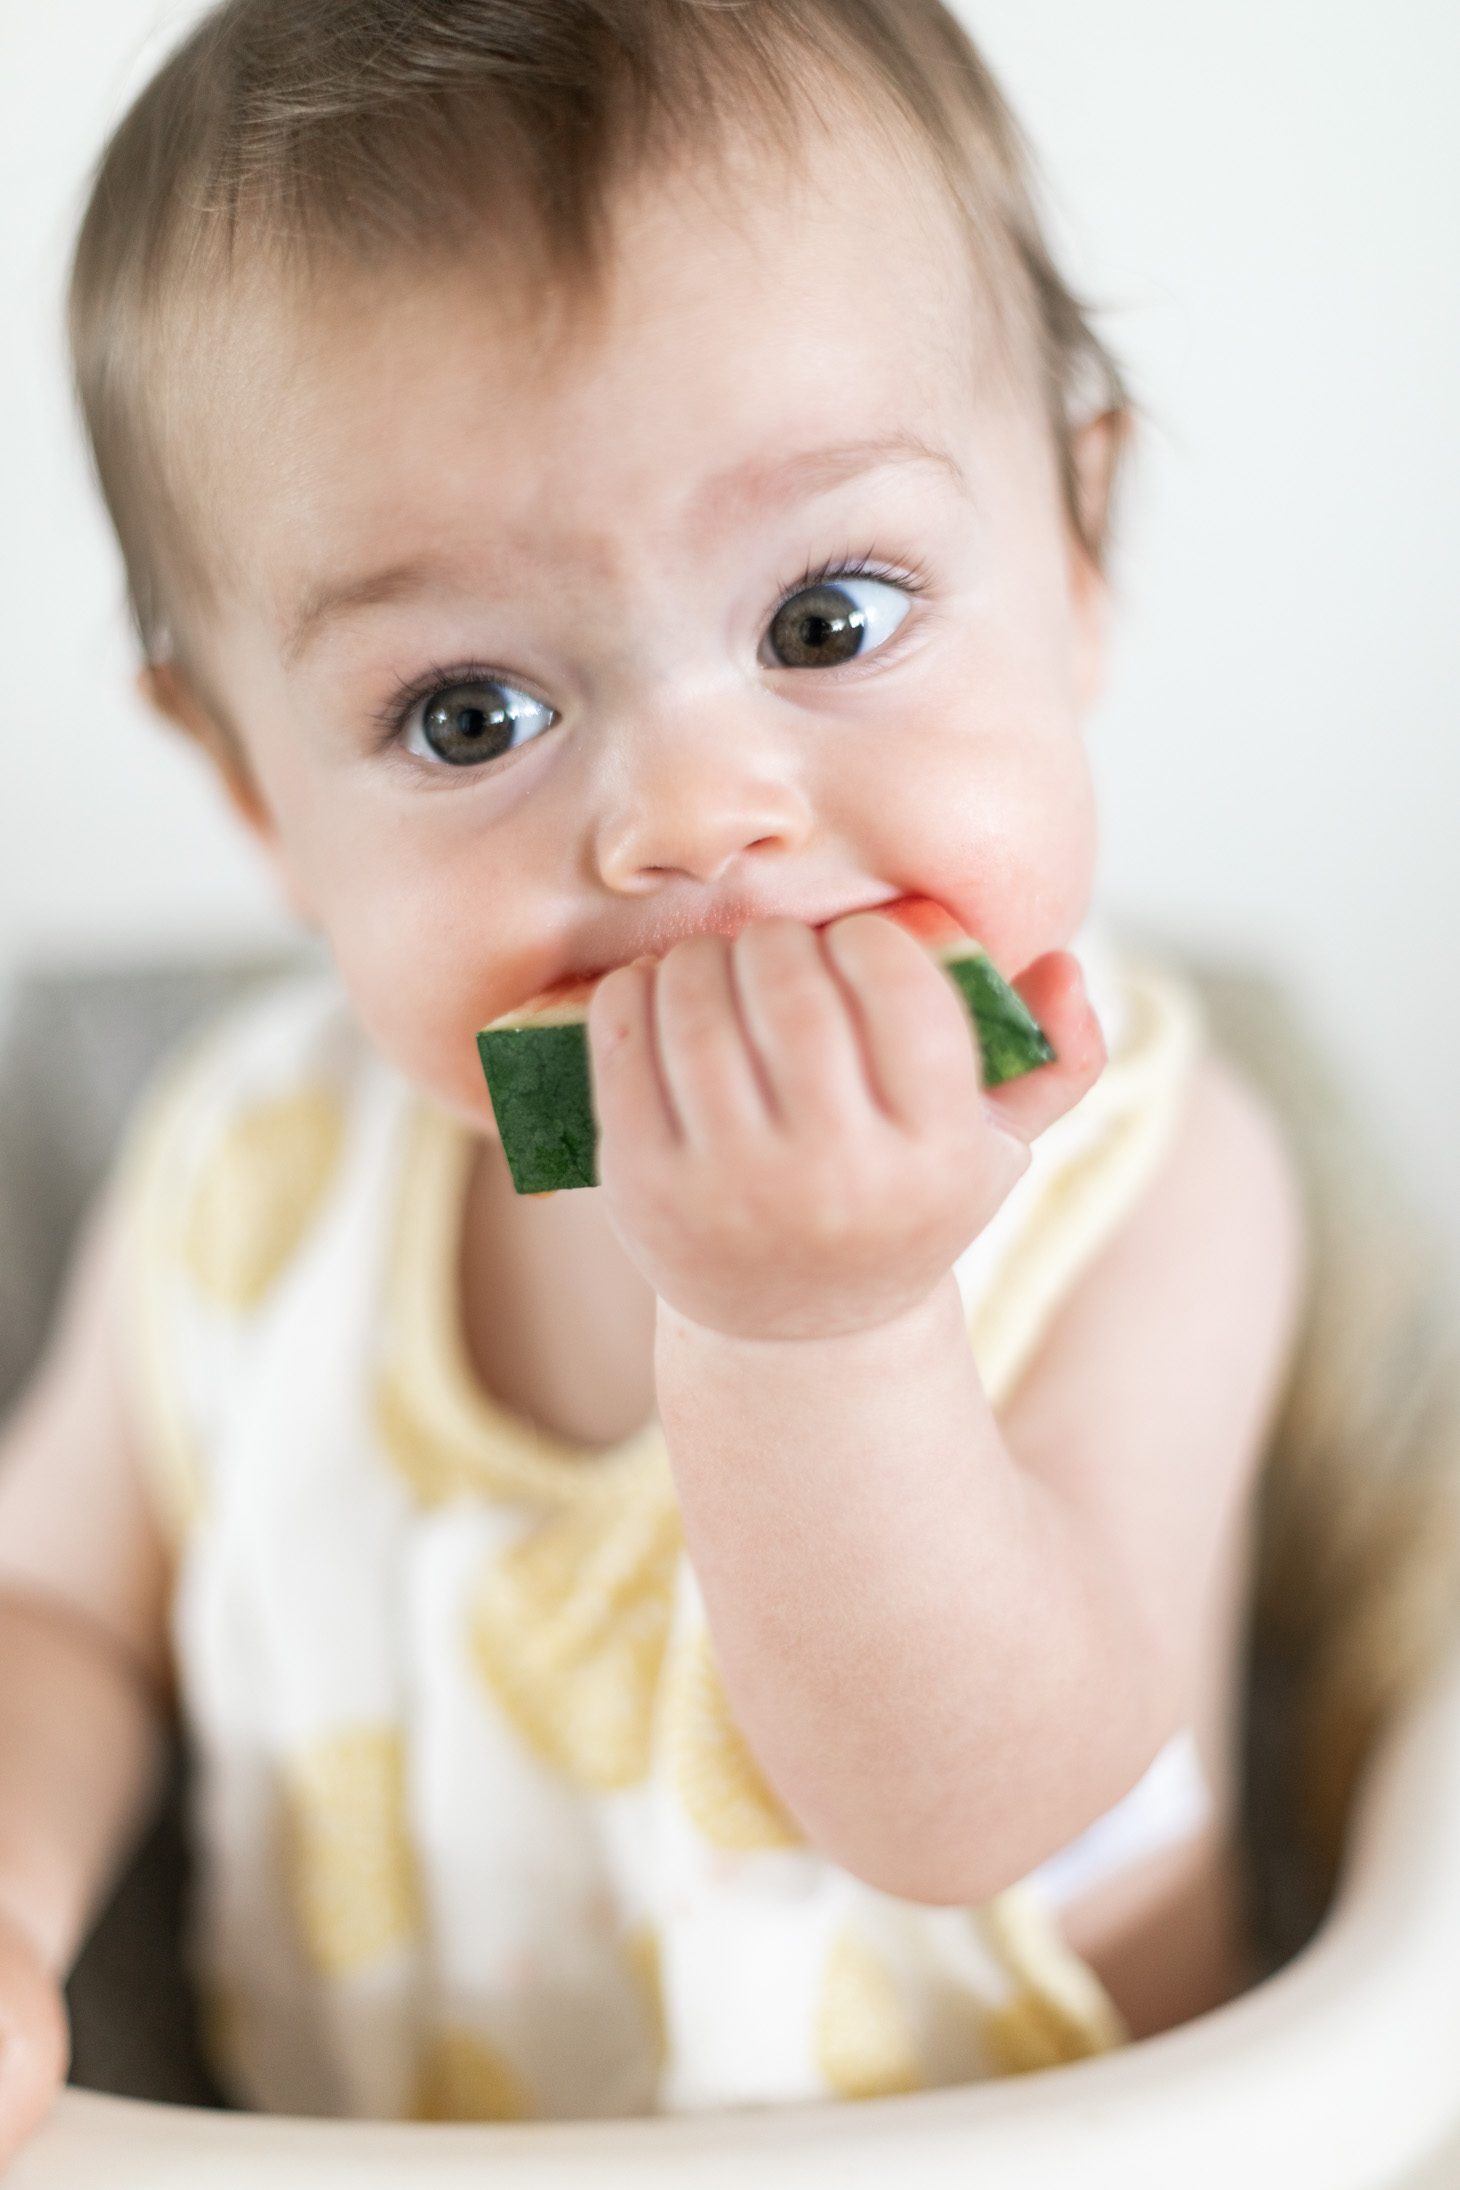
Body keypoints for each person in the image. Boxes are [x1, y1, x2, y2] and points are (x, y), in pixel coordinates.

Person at [0, 0, 1314, 2148]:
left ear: (1075, 564)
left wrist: (822, 1326)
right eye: (465, 715)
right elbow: (50, 1606)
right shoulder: (246, 1170)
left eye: (824, 617)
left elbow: (974, 1811)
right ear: (248, 787)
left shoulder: (1155, 1172)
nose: (695, 816)